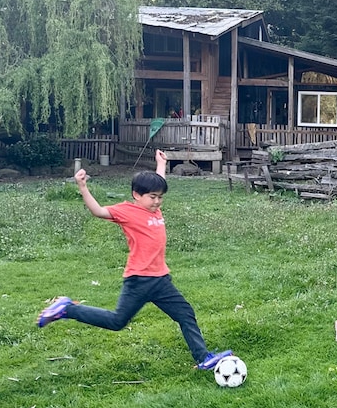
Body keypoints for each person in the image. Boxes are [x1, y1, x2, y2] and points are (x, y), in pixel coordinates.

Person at [36, 150, 232, 371]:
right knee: (116, 322)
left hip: (161, 281)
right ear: (136, 195)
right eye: (152, 197)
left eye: (160, 197)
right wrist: (83, 187)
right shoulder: (127, 211)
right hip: (139, 280)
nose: (157, 202)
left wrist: (161, 164)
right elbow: (99, 211)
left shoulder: (154, 210)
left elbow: (157, 184)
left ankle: (203, 357)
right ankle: (67, 309)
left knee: (185, 314)